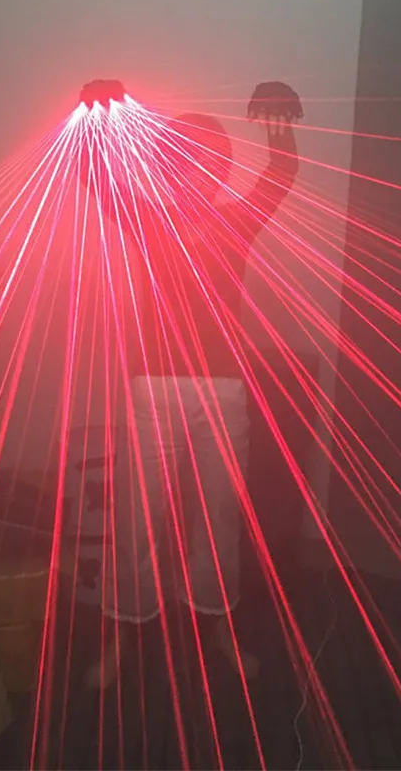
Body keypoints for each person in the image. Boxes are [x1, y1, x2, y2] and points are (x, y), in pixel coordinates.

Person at [84, 81, 302, 688]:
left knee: (219, 515)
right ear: (167, 165)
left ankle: (217, 626)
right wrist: (96, 117)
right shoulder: (149, 218)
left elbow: (281, 175)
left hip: (223, 389)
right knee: (138, 519)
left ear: (224, 167)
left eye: (212, 159)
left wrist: (279, 122)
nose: (200, 168)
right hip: (153, 389)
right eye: (186, 158)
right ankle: (126, 629)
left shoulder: (236, 221)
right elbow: (94, 175)